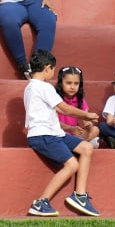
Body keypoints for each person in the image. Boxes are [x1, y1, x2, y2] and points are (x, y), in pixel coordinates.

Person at [24, 50, 100, 217]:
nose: (52, 74)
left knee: (86, 148)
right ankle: (41, 202)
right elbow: (65, 109)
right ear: (47, 68)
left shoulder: (31, 87)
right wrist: (86, 115)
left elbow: (57, 108)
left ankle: (80, 196)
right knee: (72, 165)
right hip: (44, 135)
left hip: (55, 133)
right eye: (52, 70)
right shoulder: (44, 86)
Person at [54, 66, 100, 148]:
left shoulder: (80, 99)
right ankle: (83, 145)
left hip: (75, 134)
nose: (72, 87)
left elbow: (85, 119)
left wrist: (89, 124)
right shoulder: (55, 99)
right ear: (61, 83)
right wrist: (71, 129)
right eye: (68, 83)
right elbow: (54, 123)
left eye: (76, 83)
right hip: (60, 134)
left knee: (95, 129)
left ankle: (78, 145)